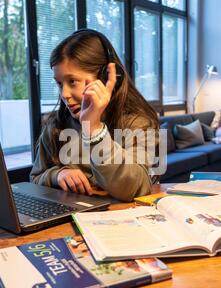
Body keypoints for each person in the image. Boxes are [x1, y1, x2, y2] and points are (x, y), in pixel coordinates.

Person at [30, 29, 159, 202]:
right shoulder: (56, 125)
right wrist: (57, 175)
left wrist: (94, 130)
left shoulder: (138, 123)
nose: (65, 94)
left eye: (72, 81)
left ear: (105, 78)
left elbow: (134, 188)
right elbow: (35, 178)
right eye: (60, 84)